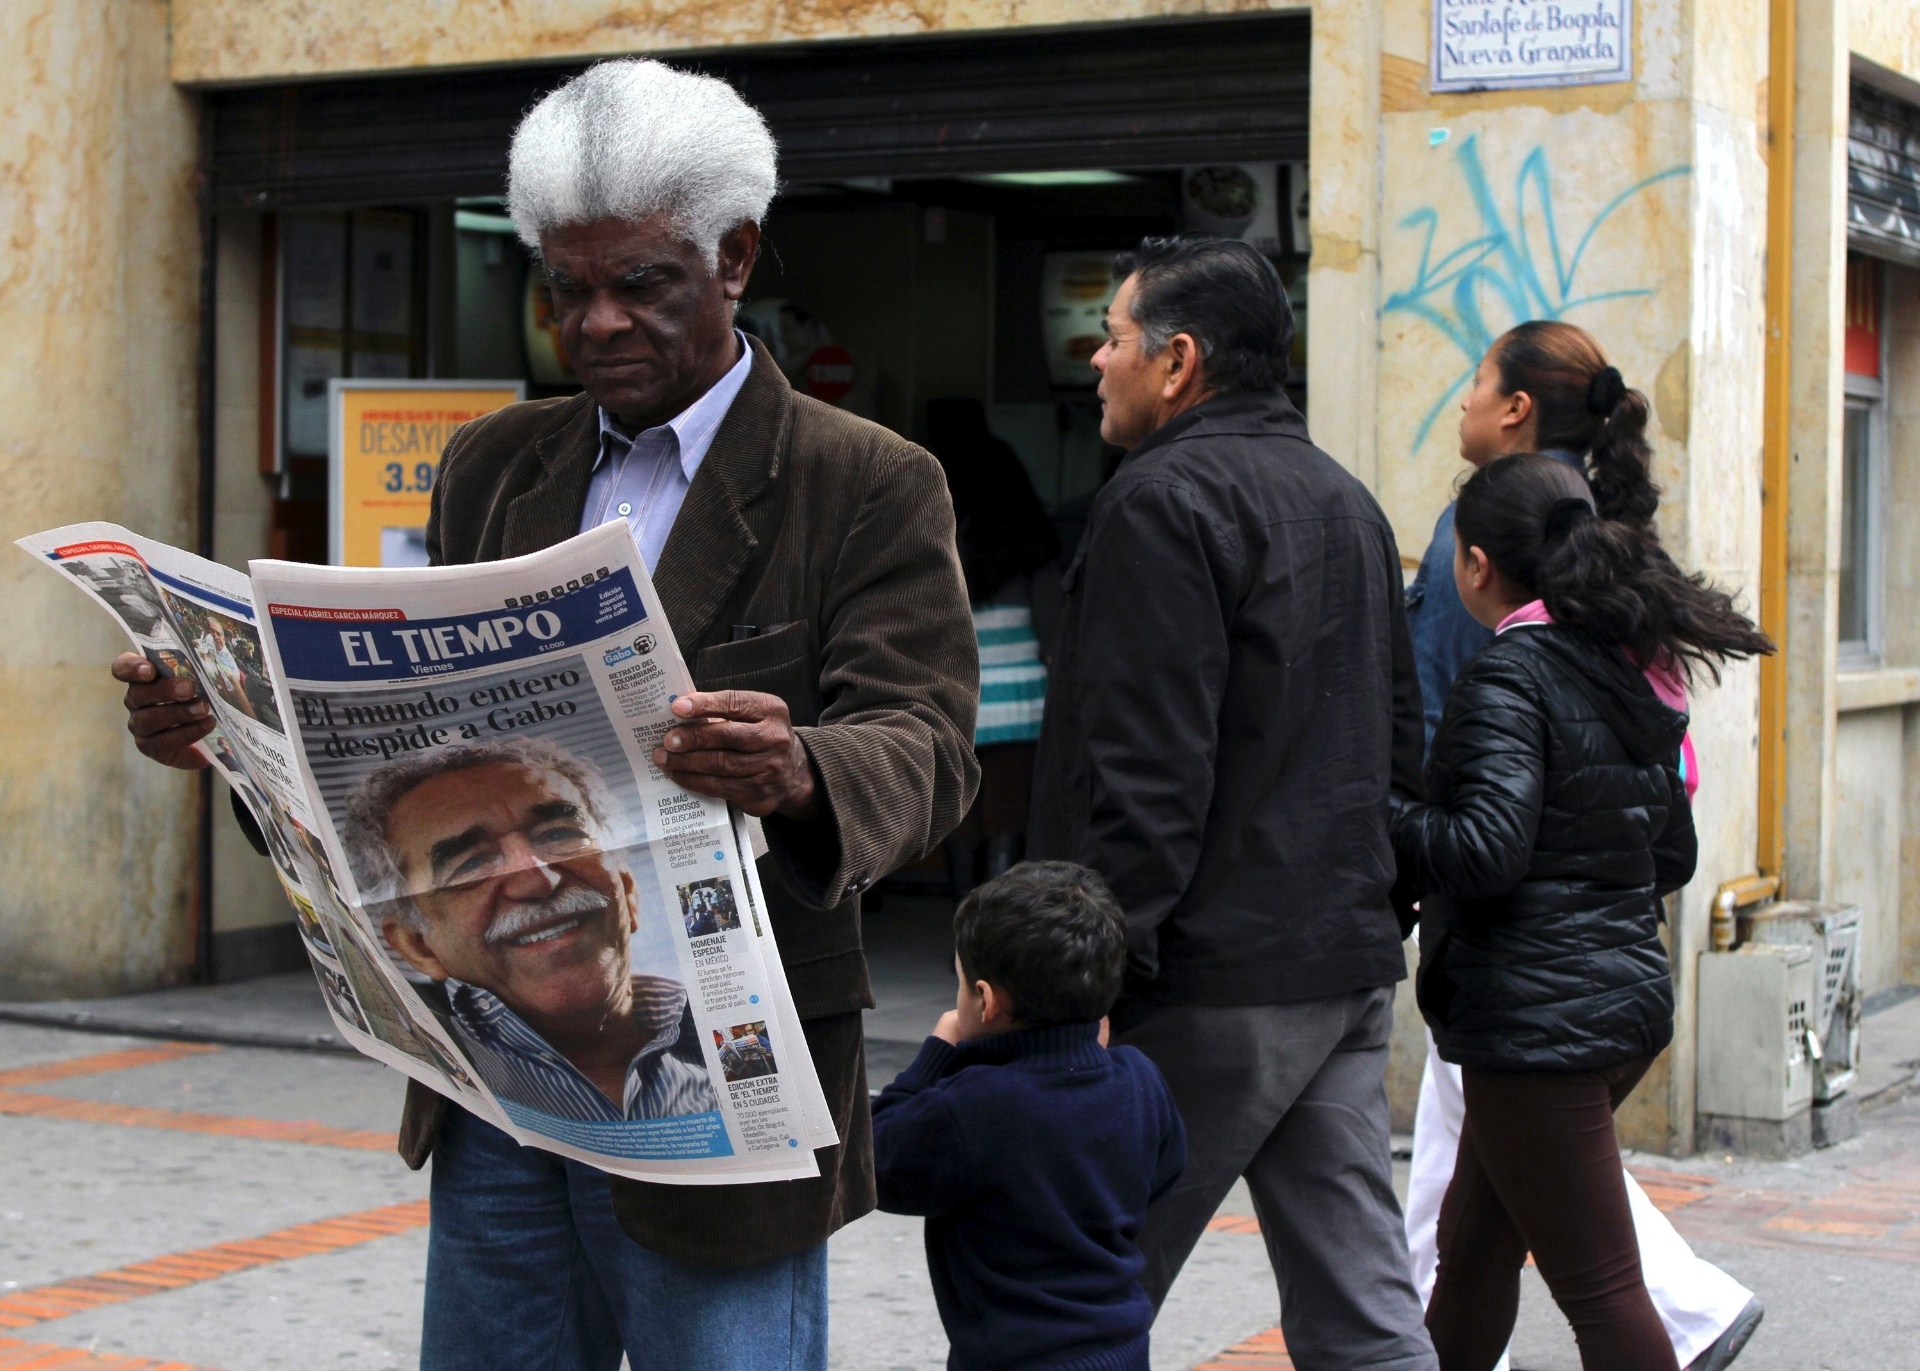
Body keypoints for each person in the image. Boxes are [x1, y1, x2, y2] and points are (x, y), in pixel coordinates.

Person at [111, 57, 978, 1371]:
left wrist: (801, 765)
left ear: (735, 257)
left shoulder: (863, 481)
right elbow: (400, 748)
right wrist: (226, 736)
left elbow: (929, 745)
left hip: (722, 1080)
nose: (598, 323)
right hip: (499, 1084)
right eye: (566, 290)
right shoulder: (495, 463)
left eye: (642, 284)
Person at [1027, 236, 1437, 1369]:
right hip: (1337, 967)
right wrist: (1379, 908)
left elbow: (1146, 773)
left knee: (1072, 1285)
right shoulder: (1345, 498)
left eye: (1112, 337)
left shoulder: (1159, 502)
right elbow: (1402, 741)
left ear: (1178, 362)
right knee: (1362, 1305)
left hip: (1207, 984)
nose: (1096, 360)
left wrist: (1089, 976)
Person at [1401, 321, 1764, 1371]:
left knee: (1602, 1290)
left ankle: (1697, 1321)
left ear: (1476, 567)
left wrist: (1378, 816)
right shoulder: (1621, 667)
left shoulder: (1510, 675)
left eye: (1476, 381)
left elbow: (1486, 848)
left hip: (1535, 1017)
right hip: (1609, 996)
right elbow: (1672, 852)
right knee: (1473, 1246)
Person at [871, 861, 1185, 1371]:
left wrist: (937, 1051)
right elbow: (1164, 1171)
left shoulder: (973, 1104)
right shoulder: (1138, 1079)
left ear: (985, 1000)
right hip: (1121, 1349)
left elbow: (877, 1163)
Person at [341, 738, 718, 1123]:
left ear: (628, 891)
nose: (538, 881)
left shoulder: (720, 1030)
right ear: (418, 946)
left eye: (558, 835)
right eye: (471, 864)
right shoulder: (460, 1082)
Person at [924, 397, 1062, 893]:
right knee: (1009, 814)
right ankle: (993, 926)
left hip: (957, 701)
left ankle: (963, 919)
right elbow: (1053, 634)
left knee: (960, 817)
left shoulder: (932, 536)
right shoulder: (1031, 542)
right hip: (1023, 704)